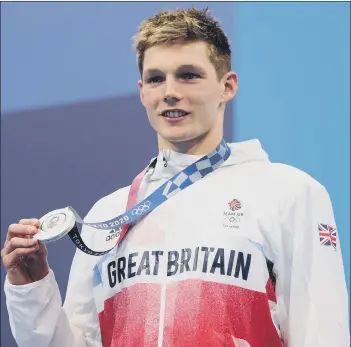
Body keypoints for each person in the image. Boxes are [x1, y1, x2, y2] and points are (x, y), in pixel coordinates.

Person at [2, 7, 349, 347]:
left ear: (227, 86)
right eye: (156, 79)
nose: (170, 91)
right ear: (142, 92)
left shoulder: (289, 193)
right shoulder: (107, 215)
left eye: (189, 75)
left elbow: (322, 333)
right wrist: (32, 290)